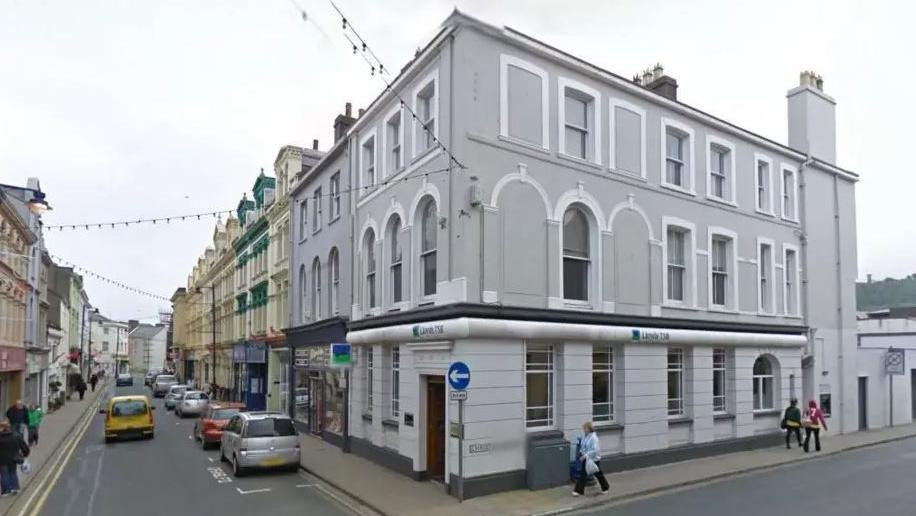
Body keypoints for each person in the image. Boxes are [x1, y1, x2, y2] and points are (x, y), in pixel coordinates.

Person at [573, 421, 609, 496]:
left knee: (598, 473)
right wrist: (581, 453)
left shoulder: (594, 438)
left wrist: (585, 455)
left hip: (594, 459)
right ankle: (578, 491)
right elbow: (583, 446)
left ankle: (605, 487)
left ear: (589, 429)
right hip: (585, 458)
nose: (583, 430)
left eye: (585, 428)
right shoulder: (585, 436)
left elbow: (595, 450)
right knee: (583, 474)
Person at [0, 421, 29, 496]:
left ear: (2, 428)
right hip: (14, 458)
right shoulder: (16, 435)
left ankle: (6, 491)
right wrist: (25, 454)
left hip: (2, 460)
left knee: (4, 474)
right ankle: (15, 488)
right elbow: (24, 446)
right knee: (13, 472)